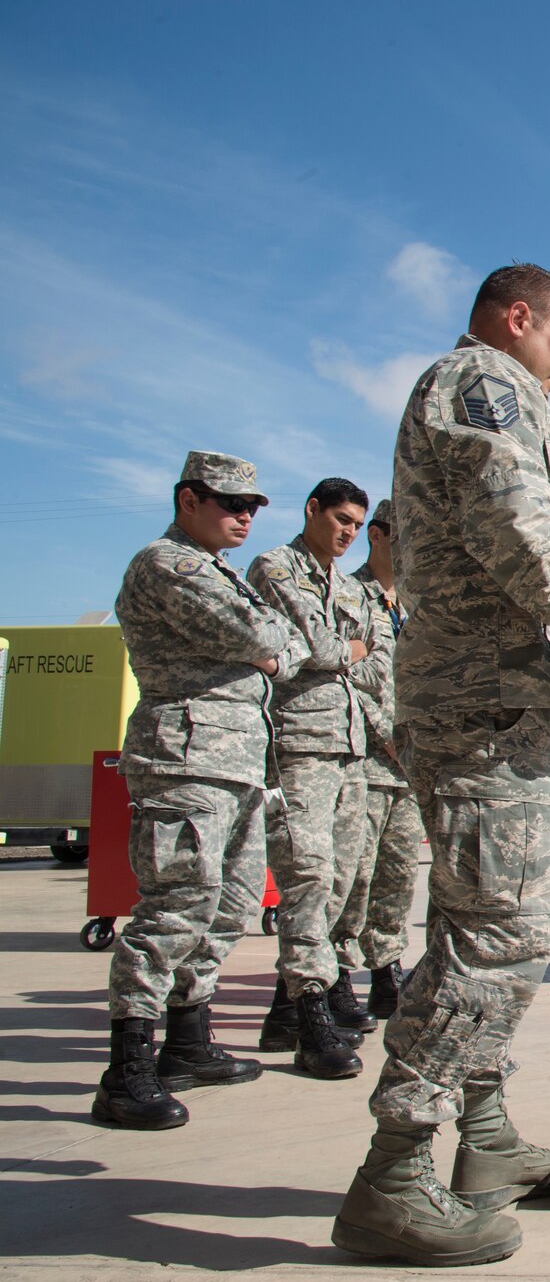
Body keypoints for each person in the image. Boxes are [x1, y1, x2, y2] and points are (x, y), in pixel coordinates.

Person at [333, 263, 550, 1267]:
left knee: (474, 924)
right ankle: (394, 1170)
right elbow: (516, 515)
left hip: (493, 695)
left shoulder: (485, 387)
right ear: (519, 320)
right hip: (481, 700)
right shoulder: (484, 382)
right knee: (496, 942)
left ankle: (485, 1137)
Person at [96, 451, 307, 1130]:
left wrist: (272, 646)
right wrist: (268, 645)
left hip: (238, 763)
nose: (244, 516)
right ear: (189, 498)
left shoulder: (218, 572)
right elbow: (261, 633)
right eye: (231, 503)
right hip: (184, 758)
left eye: (252, 507)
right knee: (175, 906)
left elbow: (286, 646)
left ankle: (188, 1040)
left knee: (232, 902)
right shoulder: (169, 564)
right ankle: (127, 1068)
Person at [248, 477, 387, 1080]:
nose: (348, 532)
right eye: (340, 519)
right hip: (299, 743)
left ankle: (283, 1010)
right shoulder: (276, 567)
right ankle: (309, 1018)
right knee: (306, 875)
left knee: (343, 879)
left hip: (350, 744)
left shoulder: (348, 587)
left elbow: (376, 658)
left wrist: (344, 651)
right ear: (312, 510)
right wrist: (344, 651)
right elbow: (323, 647)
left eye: (356, 524)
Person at [330, 497, 425, 1020]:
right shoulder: (348, 595)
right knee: (351, 874)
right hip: (361, 759)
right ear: (380, 535)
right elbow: (344, 675)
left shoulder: (410, 606)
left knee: (397, 875)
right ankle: (338, 975)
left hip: (406, 769)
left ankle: (386, 970)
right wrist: (388, 733)